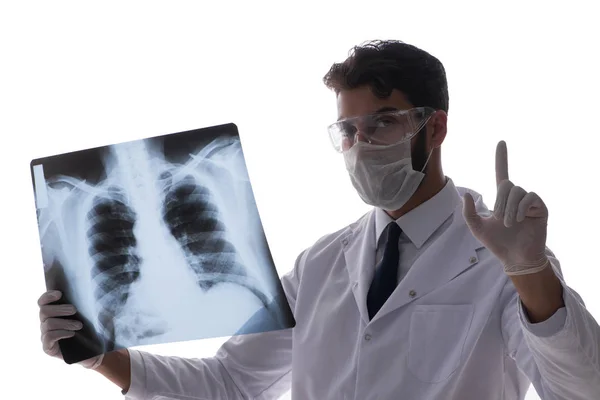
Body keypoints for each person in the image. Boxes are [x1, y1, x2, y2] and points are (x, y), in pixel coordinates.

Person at [38, 40, 600, 399]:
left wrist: (530, 271)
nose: (361, 145)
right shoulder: (321, 264)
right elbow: (230, 383)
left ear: (435, 129)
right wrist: (100, 356)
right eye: (349, 131)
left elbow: (579, 389)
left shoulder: (504, 261)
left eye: (382, 124)